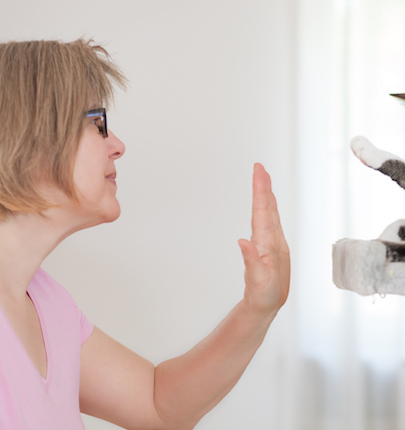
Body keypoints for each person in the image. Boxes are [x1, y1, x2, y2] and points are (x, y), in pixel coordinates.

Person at [0, 39, 290, 429]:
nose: (117, 145)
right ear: (29, 134)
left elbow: (158, 406)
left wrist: (258, 309)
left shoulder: (48, 304)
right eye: (96, 123)